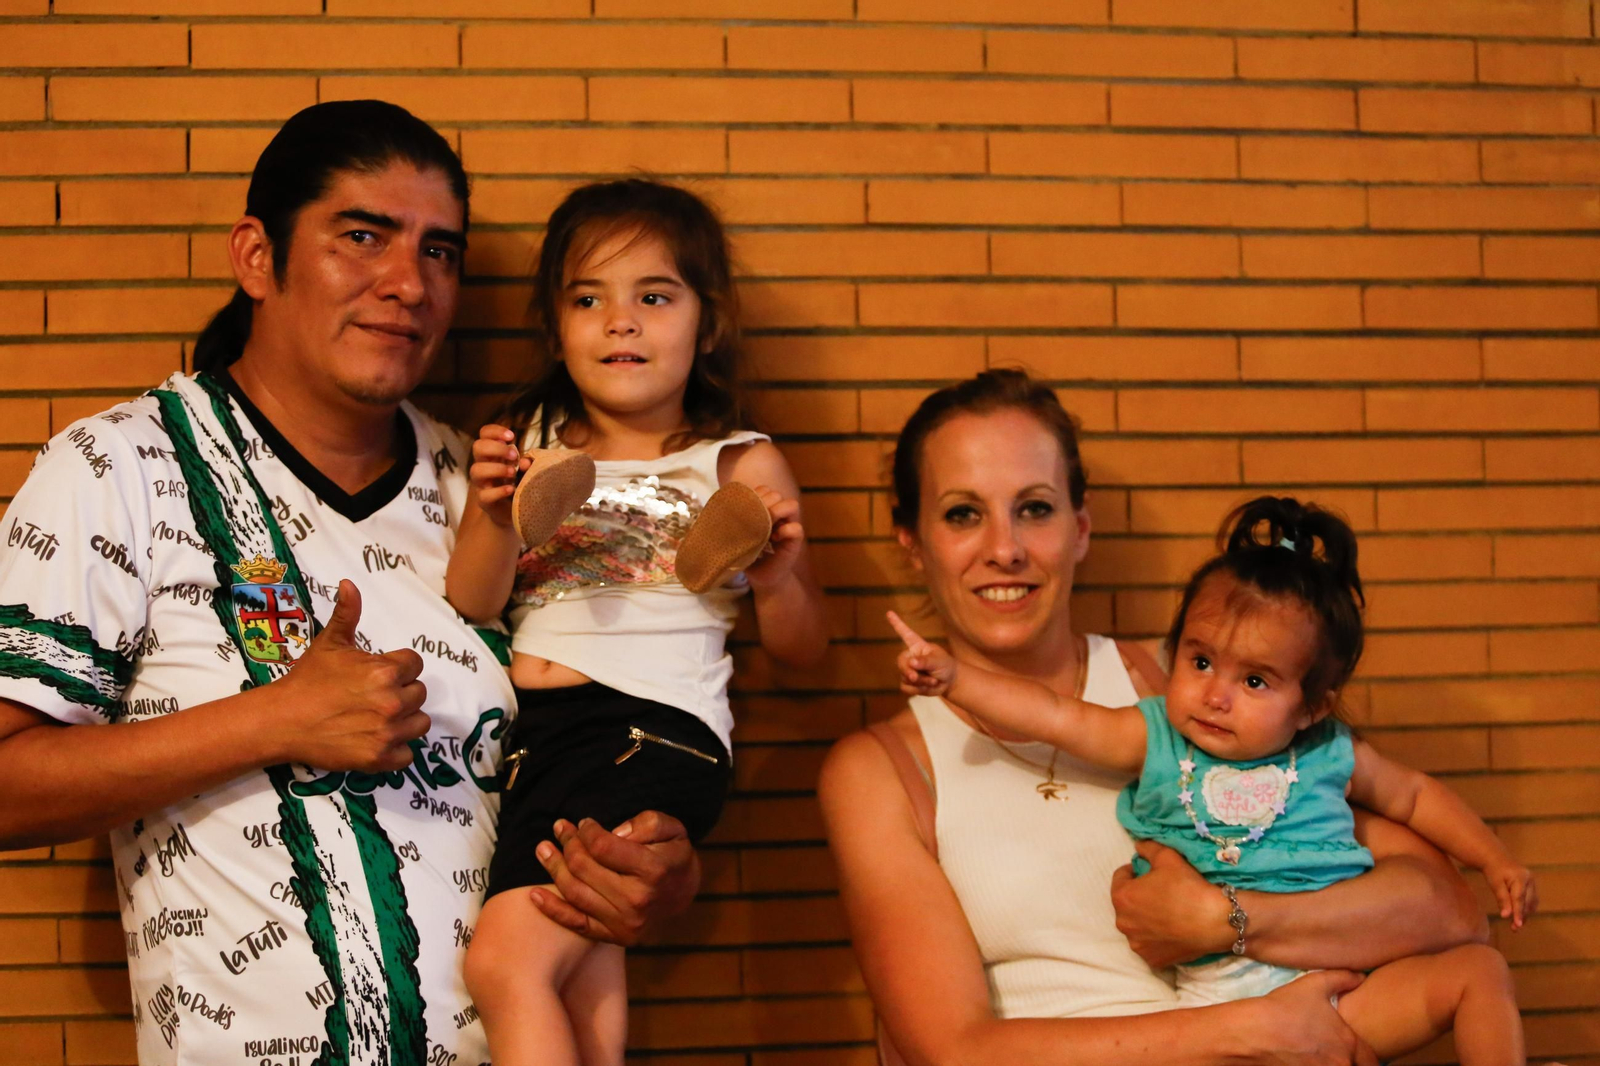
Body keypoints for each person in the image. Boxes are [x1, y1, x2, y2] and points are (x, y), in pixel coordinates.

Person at [0, 101, 700, 1066]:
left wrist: (650, 864)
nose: (408, 283)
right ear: (257, 256)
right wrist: (274, 721)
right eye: (361, 237)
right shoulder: (116, 466)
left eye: (440, 253)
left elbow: (628, 708)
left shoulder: (501, 492)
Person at [817, 369, 1489, 1066]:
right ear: (911, 540)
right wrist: (1248, 1032)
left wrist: (1225, 923)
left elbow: (1448, 909)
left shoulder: (1196, 689)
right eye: (963, 513)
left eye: (1035, 509)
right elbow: (952, 1050)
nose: (1004, 548)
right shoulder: (881, 772)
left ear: (1080, 527)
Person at [889, 494, 1530, 1063]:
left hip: (1345, 990)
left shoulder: (1329, 754)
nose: (1215, 695)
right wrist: (957, 680)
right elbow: (1057, 717)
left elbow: (1416, 796)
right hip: (1220, 1008)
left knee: (1480, 970)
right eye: (1199, 661)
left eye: (1254, 681)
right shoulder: (1159, 738)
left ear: (1312, 706)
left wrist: (1494, 859)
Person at [444, 178, 829, 1066]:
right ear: (555, 325)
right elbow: (472, 604)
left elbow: (806, 652)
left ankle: (714, 549)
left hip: (652, 728)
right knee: (585, 984)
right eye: (590, 299)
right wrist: (492, 513)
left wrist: (779, 578)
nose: (621, 322)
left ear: (706, 322)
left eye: (653, 297)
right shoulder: (527, 437)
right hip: (537, 739)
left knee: (506, 964)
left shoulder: (736, 458)